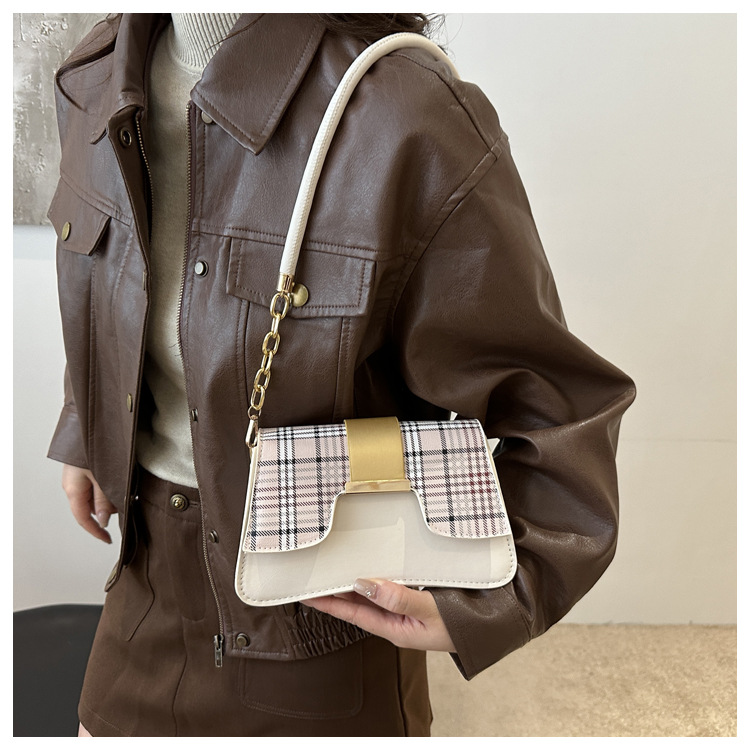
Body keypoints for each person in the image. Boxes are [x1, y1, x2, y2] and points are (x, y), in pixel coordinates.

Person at [49, 13, 636, 737]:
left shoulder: (402, 115)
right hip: (142, 578)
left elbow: (560, 411)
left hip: (321, 617)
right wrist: (87, 426)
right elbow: (117, 284)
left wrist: (488, 604)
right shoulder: (95, 77)